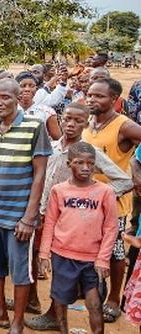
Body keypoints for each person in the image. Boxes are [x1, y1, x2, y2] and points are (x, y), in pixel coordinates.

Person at [0, 78, 51, 333]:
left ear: (18, 99)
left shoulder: (34, 126)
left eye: (5, 97)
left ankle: (17, 323)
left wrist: (29, 217)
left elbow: (39, 174)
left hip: (18, 216)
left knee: (21, 272)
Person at [39, 142, 118, 334]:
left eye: (90, 163)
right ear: (69, 164)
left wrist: (103, 259)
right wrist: (43, 254)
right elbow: (50, 223)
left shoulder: (105, 192)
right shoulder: (59, 190)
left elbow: (111, 227)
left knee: (94, 302)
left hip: (92, 258)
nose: (85, 168)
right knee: (60, 297)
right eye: (79, 163)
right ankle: (63, 329)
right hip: (62, 255)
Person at [82, 77, 141, 322]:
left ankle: (114, 299)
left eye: (99, 96)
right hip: (87, 199)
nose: (92, 99)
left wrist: (136, 173)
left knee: (115, 251)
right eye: (90, 94)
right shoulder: (88, 122)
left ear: (114, 99)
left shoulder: (124, 126)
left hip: (114, 203)